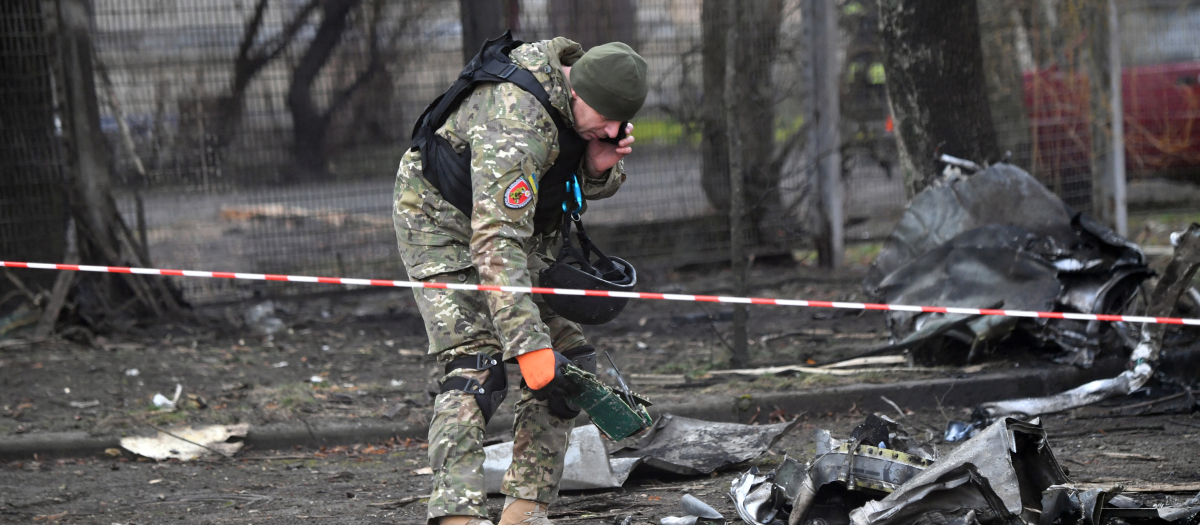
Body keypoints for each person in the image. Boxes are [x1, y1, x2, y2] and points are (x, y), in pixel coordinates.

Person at [391, 34, 648, 525]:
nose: (615, 130)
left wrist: (597, 169)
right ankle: (456, 516)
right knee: (477, 369)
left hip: (507, 232)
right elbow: (494, 243)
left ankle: (525, 512)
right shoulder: (516, 118)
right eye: (607, 120)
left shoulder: (577, 103)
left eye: (622, 122)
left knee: (568, 369)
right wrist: (527, 344)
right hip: (439, 225)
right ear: (580, 93)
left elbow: (553, 183)